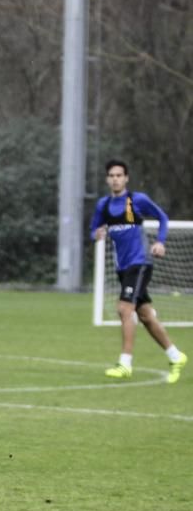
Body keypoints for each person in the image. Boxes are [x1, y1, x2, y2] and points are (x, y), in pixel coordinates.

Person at [91, 159, 186, 383]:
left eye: (119, 175)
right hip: (122, 268)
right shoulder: (103, 206)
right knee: (145, 316)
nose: (115, 179)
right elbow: (93, 229)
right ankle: (176, 355)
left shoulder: (136, 201)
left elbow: (162, 217)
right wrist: (96, 234)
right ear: (107, 179)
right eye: (111, 175)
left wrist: (160, 241)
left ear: (126, 178)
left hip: (140, 263)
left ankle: (125, 363)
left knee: (124, 310)